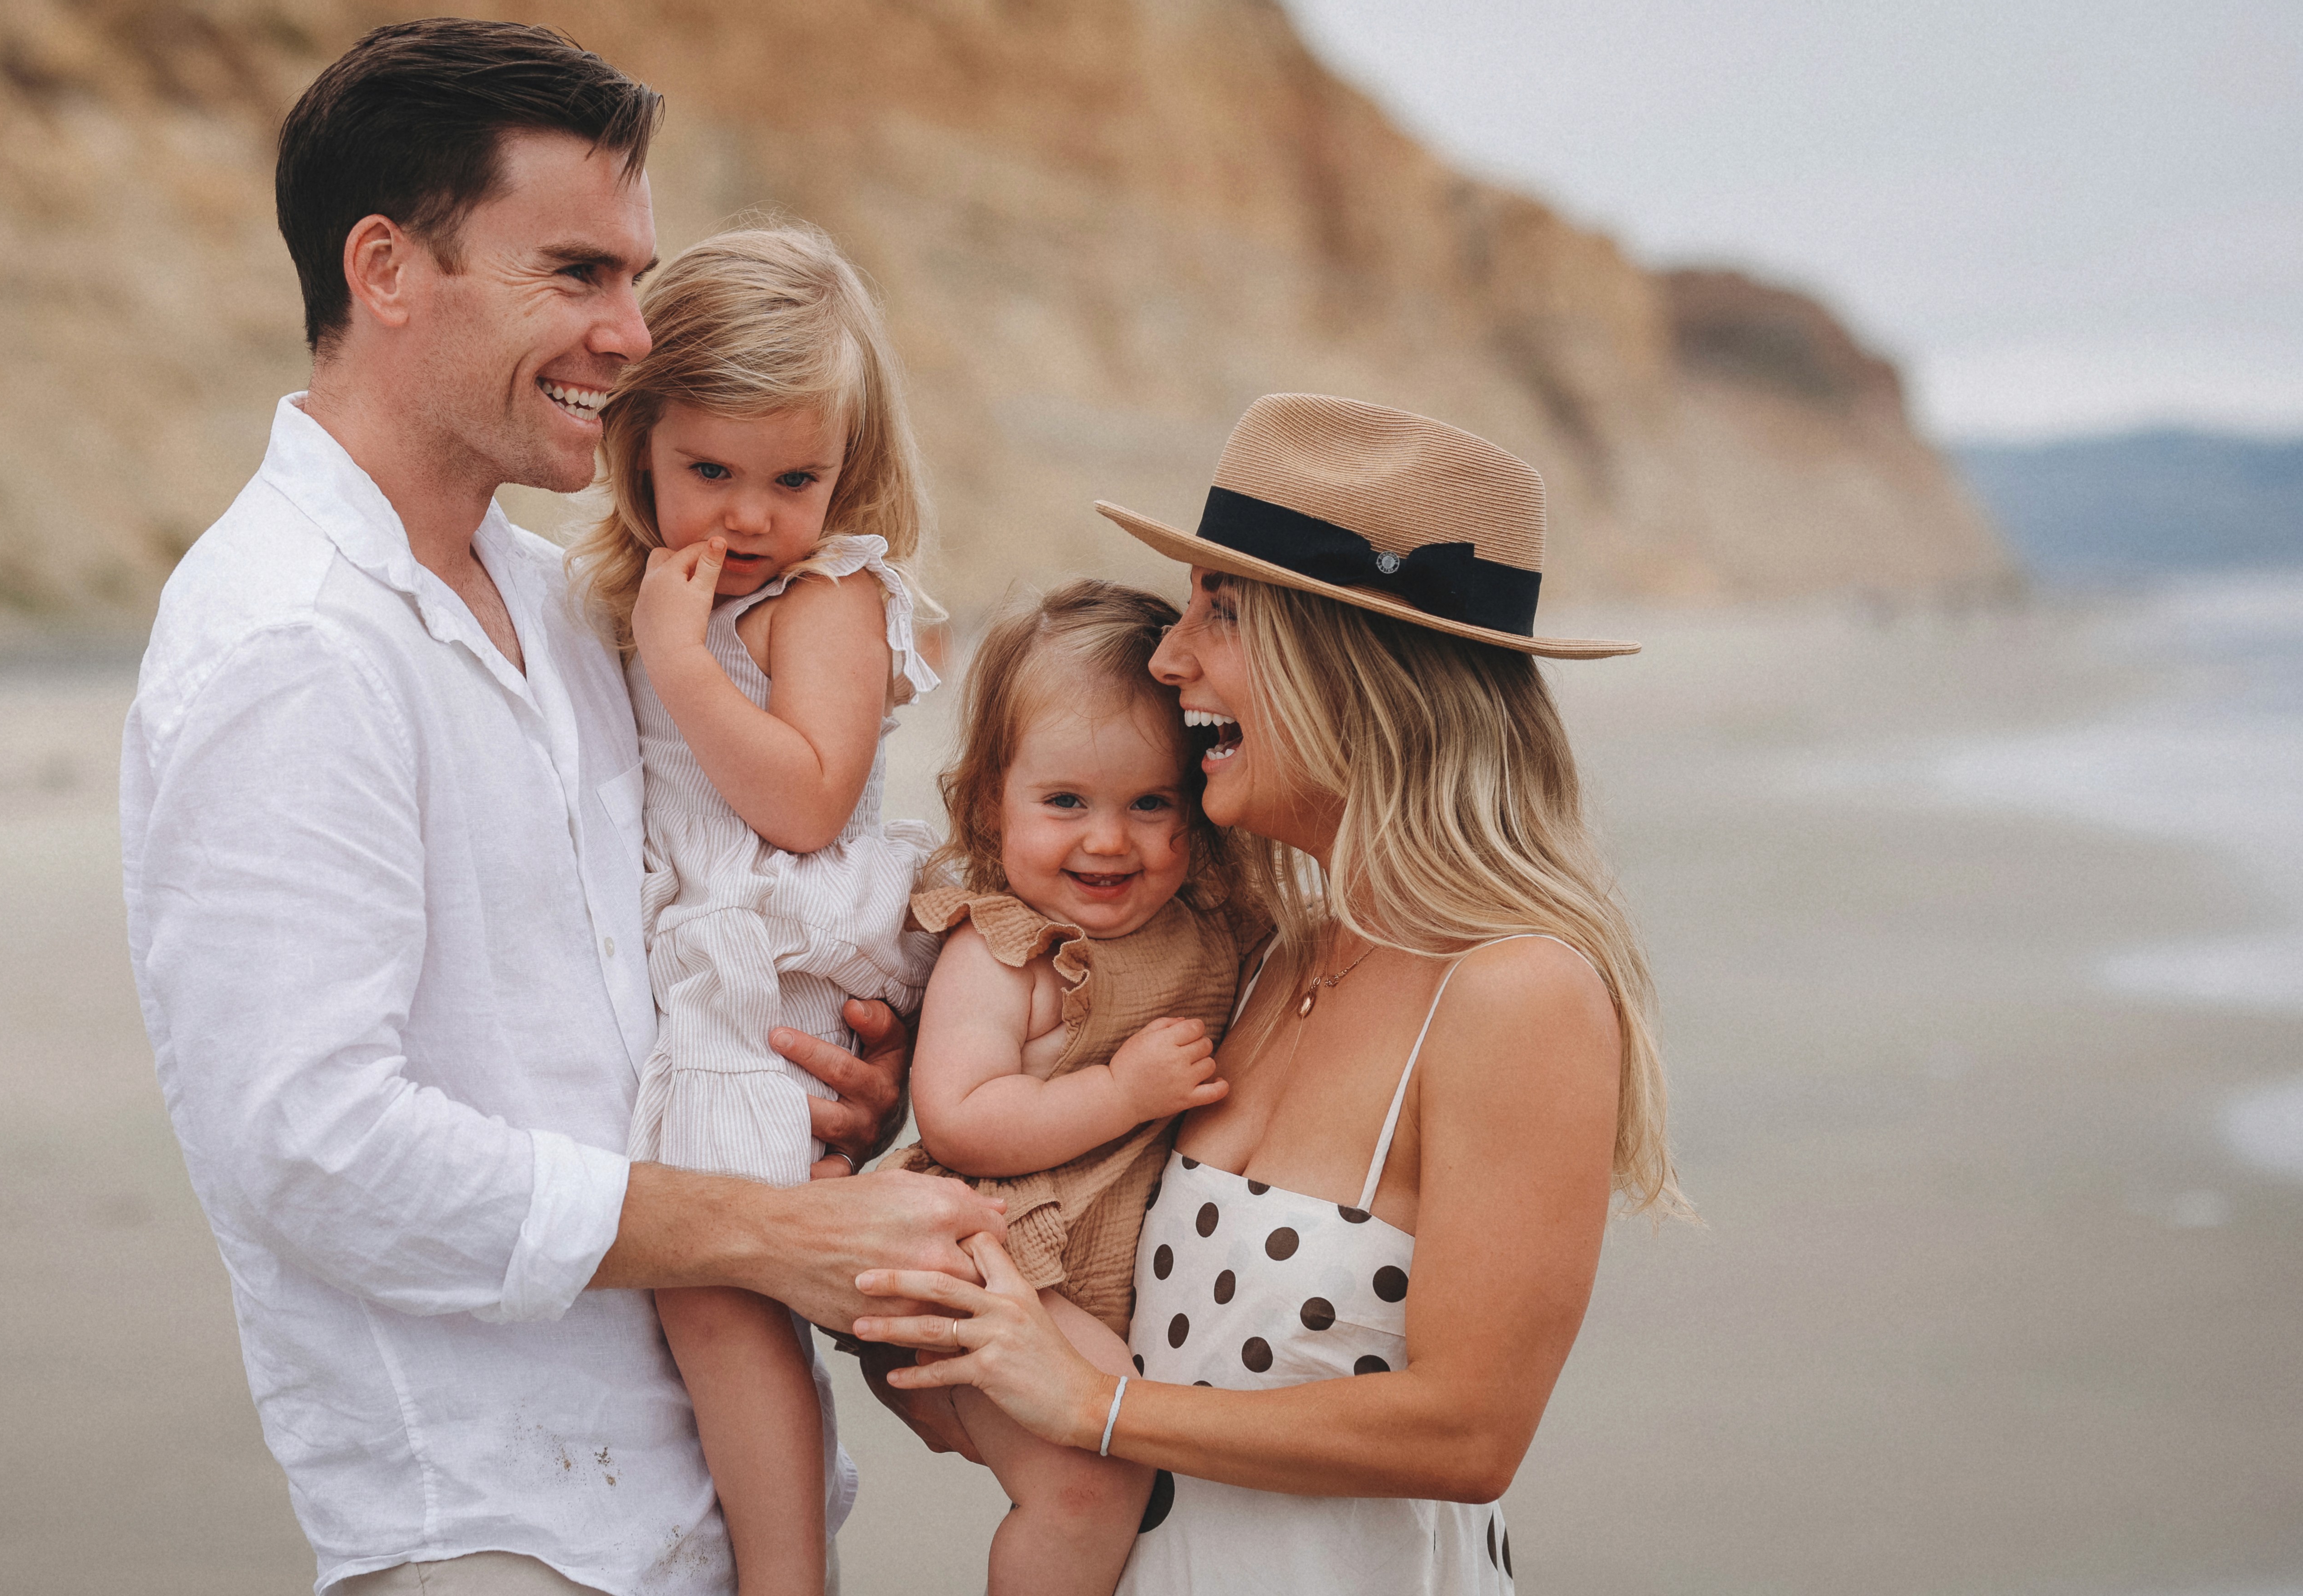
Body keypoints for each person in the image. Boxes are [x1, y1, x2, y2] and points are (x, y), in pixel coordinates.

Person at [120, 19, 999, 1596]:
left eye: (636, 277)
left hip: (700, 1510)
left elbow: (654, 957)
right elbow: (309, 1147)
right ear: (385, 270)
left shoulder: (577, 605)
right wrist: (742, 1232)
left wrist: (831, 1080)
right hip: (498, 1531)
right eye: (578, 274)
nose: (631, 333)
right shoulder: (291, 644)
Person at [852, 394, 1684, 1593]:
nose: (1167, 656)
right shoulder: (1263, 953)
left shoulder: (1515, 993)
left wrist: (1098, 1406)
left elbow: (1470, 1433)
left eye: (1220, 614)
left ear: (1352, 663)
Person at [567, 223, 946, 1595]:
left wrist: (680, 663)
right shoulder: (641, 588)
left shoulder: (824, 595)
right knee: (712, 1302)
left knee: (719, 1301)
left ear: (848, 471)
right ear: (640, 450)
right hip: (708, 969)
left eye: (796, 478)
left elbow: (805, 800)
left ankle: (787, 1580)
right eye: (708, 473)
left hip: (774, 972)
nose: (750, 517)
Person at [880, 580, 1266, 1594]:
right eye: (1065, 803)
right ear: (985, 804)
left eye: (1151, 803)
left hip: (1087, 1267)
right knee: (1095, 1475)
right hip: (1004, 1258)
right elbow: (958, 1119)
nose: (1108, 840)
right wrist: (1122, 1092)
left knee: (1129, 1465)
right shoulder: (1007, 951)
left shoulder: (1206, 927)